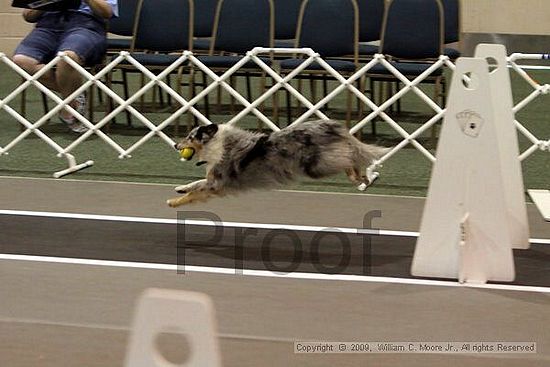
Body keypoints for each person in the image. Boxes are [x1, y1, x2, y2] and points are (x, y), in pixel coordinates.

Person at [13, 0, 119, 133]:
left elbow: (106, 12)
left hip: (85, 25)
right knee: (21, 60)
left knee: (67, 56)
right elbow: (28, 16)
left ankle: (70, 103)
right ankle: (74, 97)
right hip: (47, 26)